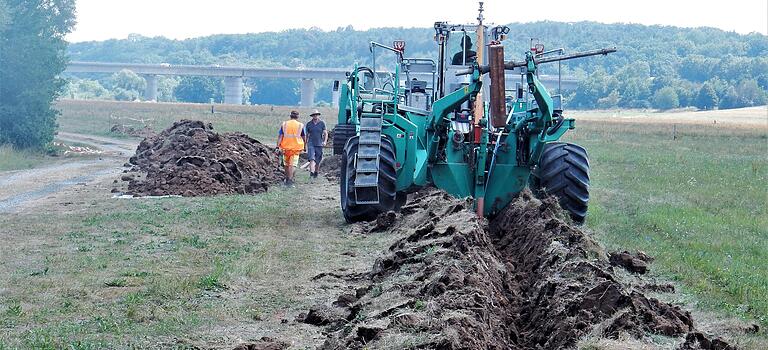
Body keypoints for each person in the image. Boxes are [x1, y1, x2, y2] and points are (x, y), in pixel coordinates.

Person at [276, 110, 306, 186]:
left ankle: (287, 178)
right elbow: (304, 137)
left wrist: (277, 146)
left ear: (290, 116)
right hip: (296, 148)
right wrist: (305, 146)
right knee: (293, 165)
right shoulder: (300, 125)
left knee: (286, 164)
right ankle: (290, 179)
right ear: (297, 117)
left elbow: (280, 136)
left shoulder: (285, 124)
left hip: (285, 147)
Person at [304, 109, 328, 178]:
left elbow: (325, 133)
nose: (315, 116)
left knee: (318, 160)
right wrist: (305, 145)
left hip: (319, 143)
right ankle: (311, 173)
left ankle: (316, 172)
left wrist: (325, 141)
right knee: (312, 158)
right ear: (312, 116)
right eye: (314, 115)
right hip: (311, 143)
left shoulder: (322, 123)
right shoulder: (309, 124)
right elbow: (307, 135)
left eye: (316, 115)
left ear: (318, 115)